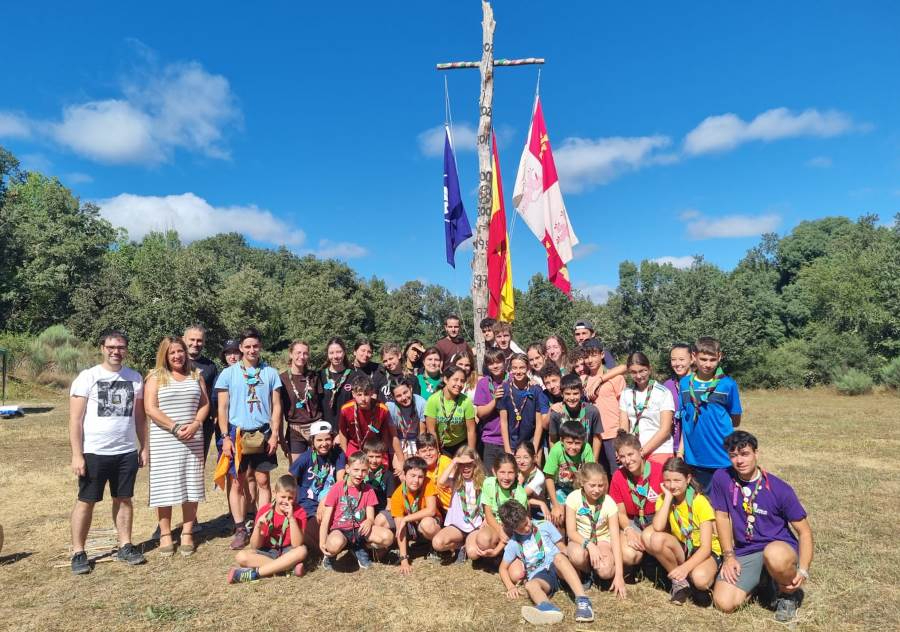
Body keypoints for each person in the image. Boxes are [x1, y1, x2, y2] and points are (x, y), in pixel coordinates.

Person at [710, 431, 813, 623]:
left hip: (779, 548)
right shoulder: (722, 478)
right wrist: (729, 555)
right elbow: (722, 517)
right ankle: (763, 582)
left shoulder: (779, 489)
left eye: (745, 454)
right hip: (746, 550)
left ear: (757, 453)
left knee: (773, 553)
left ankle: (788, 595)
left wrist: (804, 569)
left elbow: (805, 531)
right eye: (733, 455)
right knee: (724, 603)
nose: (739, 460)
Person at [69, 330, 147, 574]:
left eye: (121, 347)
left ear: (126, 350)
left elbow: (140, 418)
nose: (116, 351)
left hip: (125, 452)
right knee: (86, 501)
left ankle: (125, 545)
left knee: (124, 499)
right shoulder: (88, 377)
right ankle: (79, 551)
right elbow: (75, 420)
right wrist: (77, 454)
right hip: (94, 452)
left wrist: (144, 447)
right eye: (111, 346)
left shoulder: (134, 378)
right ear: (102, 347)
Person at [215, 327, 283, 549]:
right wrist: (225, 437)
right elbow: (222, 408)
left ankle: (263, 524)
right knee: (238, 482)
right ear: (241, 348)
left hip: (262, 433)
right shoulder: (229, 373)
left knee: (263, 481)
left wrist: (274, 434)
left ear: (260, 347)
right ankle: (240, 528)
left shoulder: (270, 373)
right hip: (237, 435)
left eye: (255, 346)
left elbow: (276, 406)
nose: (252, 350)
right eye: (247, 346)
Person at [144, 336, 209, 557]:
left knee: (191, 483)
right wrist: (174, 427)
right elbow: (150, 408)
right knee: (165, 485)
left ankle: (188, 532)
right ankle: (164, 534)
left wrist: (196, 424)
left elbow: (205, 404)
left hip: (192, 438)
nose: (177, 356)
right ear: (165, 355)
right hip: (166, 439)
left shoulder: (196, 375)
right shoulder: (155, 377)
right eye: (172, 352)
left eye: (180, 351)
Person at [498, 500, 595, 625]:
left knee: (559, 558)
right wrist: (510, 587)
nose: (527, 528)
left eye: (527, 523)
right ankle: (548, 609)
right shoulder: (513, 544)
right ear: (513, 529)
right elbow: (502, 568)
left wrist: (573, 563)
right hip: (540, 574)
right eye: (521, 529)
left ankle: (583, 601)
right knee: (530, 585)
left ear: (527, 515)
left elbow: (562, 547)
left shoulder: (545, 526)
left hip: (559, 566)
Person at [646, 457, 722, 605]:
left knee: (700, 579)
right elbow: (658, 527)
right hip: (685, 547)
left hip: (705, 551)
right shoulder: (664, 498)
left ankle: (708, 578)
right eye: (667, 480)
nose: (672, 485)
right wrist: (667, 498)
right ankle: (681, 584)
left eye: (677, 480)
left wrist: (685, 568)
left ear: (688, 479)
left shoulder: (699, 502)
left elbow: (706, 547)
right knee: (655, 538)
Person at [678, 337, 742, 491]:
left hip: (722, 456)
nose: (707, 364)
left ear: (720, 357)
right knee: (699, 503)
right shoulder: (685, 384)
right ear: (694, 356)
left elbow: (735, 420)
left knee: (722, 504)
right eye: (703, 359)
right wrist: (680, 450)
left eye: (712, 359)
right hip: (694, 458)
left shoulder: (728, 384)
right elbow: (684, 418)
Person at [319, 451, 393, 570]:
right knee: (334, 544)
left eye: (364, 470)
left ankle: (358, 548)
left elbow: (370, 517)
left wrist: (369, 521)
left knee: (388, 537)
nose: (360, 474)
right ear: (348, 469)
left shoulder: (368, 490)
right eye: (356, 470)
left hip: (359, 531)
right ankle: (330, 556)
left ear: (368, 471)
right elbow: (326, 520)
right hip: (340, 530)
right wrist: (322, 543)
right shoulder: (337, 488)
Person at [227, 474, 308, 582]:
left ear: (295, 497)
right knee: (241, 557)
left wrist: (292, 519)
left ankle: (255, 574)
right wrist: (258, 526)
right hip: (268, 552)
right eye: (283, 497)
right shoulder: (265, 511)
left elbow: (297, 544)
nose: (286, 501)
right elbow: (255, 546)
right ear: (275, 493)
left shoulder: (299, 512)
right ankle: (287, 568)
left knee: (302, 551)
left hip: (288, 551)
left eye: (290, 498)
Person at [564, 462, 627, 597]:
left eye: (600, 485)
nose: (596, 490)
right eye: (592, 485)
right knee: (577, 555)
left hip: (603, 540)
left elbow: (615, 540)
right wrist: (590, 545)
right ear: (582, 482)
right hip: (580, 539)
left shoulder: (608, 502)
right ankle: (587, 573)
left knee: (605, 571)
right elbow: (571, 532)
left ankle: (601, 573)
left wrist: (619, 575)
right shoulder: (573, 498)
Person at [609, 432, 663, 568]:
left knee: (650, 538)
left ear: (640, 452)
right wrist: (628, 530)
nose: (627, 460)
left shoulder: (659, 470)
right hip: (634, 520)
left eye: (630, 454)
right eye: (622, 456)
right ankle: (640, 564)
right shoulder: (618, 476)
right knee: (629, 555)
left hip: (657, 520)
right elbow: (620, 512)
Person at [288, 421, 346, 549]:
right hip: (307, 504)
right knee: (317, 533)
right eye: (319, 440)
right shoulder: (306, 457)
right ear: (312, 441)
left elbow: (340, 481)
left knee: (335, 531)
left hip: (330, 502)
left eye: (327, 439)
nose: (324, 444)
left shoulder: (338, 454)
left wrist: (325, 501)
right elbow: (288, 479)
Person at [431, 447, 487, 564]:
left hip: (475, 526)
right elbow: (441, 482)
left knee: (473, 553)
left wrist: (486, 521)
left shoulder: (484, 482)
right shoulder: (455, 480)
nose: (465, 467)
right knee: (437, 543)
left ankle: (468, 546)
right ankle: (460, 545)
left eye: (469, 464)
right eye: (462, 464)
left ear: (475, 464)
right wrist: (454, 461)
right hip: (457, 526)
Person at [618, 352, 675, 464]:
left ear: (649, 369)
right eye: (633, 372)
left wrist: (642, 452)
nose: (638, 376)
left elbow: (665, 430)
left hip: (659, 450)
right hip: (633, 453)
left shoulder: (663, 393)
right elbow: (624, 424)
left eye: (642, 371)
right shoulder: (626, 393)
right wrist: (621, 446)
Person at [386, 456, 440, 574]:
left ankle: (435, 547)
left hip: (431, 522)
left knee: (427, 524)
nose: (416, 481)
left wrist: (406, 518)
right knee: (392, 522)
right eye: (412, 476)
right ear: (404, 476)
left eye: (420, 477)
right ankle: (420, 545)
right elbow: (400, 529)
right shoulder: (397, 495)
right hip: (413, 527)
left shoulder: (428, 483)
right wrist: (404, 559)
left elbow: (431, 510)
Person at [581, 338, 626, 477]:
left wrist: (623, 437)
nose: (590, 360)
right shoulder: (583, 380)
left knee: (618, 475)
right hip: (592, 437)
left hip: (612, 435)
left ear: (602, 355)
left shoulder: (616, 378)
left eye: (594, 355)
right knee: (597, 476)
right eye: (587, 356)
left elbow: (624, 408)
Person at [476, 453, 529, 561]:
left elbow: (517, 526)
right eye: (502, 472)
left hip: (513, 529)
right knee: (475, 550)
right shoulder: (488, 483)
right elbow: (488, 512)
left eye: (510, 473)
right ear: (494, 472)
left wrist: (497, 549)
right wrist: (499, 530)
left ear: (516, 473)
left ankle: (500, 553)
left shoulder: (520, 494)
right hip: (494, 524)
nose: (506, 477)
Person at [279, 340, 324, 465]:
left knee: (318, 469)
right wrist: (281, 437)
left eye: (305, 353)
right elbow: (278, 410)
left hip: (317, 429)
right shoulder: (282, 379)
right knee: (296, 472)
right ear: (291, 354)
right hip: (295, 431)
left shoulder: (315, 377)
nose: (302, 357)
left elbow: (322, 404)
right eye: (298, 353)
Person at [544, 421, 595, 529]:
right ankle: (561, 542)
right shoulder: (556, 450)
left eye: (577, 443)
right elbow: (548, 477)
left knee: (583, 514)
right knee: (559, 516)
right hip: (560, 488)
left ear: (583, 441)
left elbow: (591, 475)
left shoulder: (587, 449)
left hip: (579, 488)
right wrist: (556, 505)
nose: (573, 447)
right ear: (562, 441)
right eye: (569, 442)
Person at [336, 375, 397, 461]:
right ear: (353, 394)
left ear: (372, 393)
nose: (363, 399)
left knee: (382, 468)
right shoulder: (346, 409)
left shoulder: (382, 409)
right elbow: (342, 432)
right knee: (353, 467)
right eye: (359, 394)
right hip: (354, 445)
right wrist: (346, 454)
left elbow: (385, 433)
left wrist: (383, 451)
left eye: (366, 394)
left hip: (374, 446)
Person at [498, 353, 548, 456]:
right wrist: (507, 449)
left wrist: (533, 449)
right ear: (510, 369)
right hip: (512, 443)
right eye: (515, 368)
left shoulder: (536, 390)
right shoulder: (505, 389)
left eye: (522, 368)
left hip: (531, 441)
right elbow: (503, 422)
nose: (518, 371)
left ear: (528, 368)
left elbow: (539, 424)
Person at [424, 366, 477, 456]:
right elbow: (431, 431)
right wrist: (437, 452)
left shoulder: (466, 401)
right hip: (441, 445)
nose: (459, 384)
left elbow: (471, 431)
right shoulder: (433, 400)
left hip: (461, 445)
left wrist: (471, 454)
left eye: (462, 381)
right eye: (455, 379)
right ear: (445, 379)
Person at [183, 325, 218, 460]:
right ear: (183, 339)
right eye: (192, 339)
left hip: (203, 424)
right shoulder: (172, 363)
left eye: (199, 340)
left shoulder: (210, 366)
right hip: (177, 421)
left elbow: (213, 396)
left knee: (197, 464)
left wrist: (215, 417)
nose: (195, 344)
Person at [548, 373, 602, 457]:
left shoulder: (592, 411)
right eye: (568, 394)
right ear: (562, 394)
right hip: (564, 460)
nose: (572, 398)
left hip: (586, 458)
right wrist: (556, 460)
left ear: (581, 393)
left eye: (575, 393)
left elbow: (597, 438)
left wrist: (594, 461)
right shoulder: (556, 413)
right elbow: (552, 440)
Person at [472, 347, 508, 474]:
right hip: (490, 440)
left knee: (508, 477)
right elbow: (480, 413)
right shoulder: (484, 383)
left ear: (504, 362)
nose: (495, 366)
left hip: (510, 439)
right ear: (487, 365)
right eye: (491, 363)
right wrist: (495, 400)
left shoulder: (512, 379)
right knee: (490, 479)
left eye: (498, 362)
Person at [386, 377, 426, 459]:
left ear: (410, 388)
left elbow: (422, 433)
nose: (404, 398)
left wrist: (419, 452)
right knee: (399, 468)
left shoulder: (421, 403)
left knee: (414, 465)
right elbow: (394, 436)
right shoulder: (390, 407)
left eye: (405, 392)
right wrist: (401, 460)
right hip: (398, 440)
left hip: (415, 439)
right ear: (393, 397)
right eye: (398, 396)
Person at [663, 343, 692, 456]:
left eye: (681, 359)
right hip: (671, 446)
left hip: (692, 446)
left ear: (692, 359)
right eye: (673, 359)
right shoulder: (667, 385)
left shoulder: (698, 385)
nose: (677, 363)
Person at [416, 433, 453, 512]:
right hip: (435, 509)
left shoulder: (446, 463)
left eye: (431, 449)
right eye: (424, 451)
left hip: (453, 508)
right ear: (418, 454)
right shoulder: (417, 469)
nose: (428, 454)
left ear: (437, 450)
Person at [320, 337, 353, 425]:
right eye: (331, 353)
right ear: (327, 354)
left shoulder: (354, 375)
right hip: (325, 431)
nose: (335, 356)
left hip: (347, 428)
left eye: (339, 352)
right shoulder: (319, 376)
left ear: (344, 352)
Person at [362, 438, 397, 516]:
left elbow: (390, 502)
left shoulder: (388, 475)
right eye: (371, 456)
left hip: (381, 512)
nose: (374, 461)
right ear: (365, 456)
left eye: (378, 457)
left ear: (383, 456)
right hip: (362, 512)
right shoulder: (360, 474)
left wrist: (383, 517)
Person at [515, 442, 550, 519]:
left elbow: (519, 497)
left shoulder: (539, 477)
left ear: (534, 458)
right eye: (518, 457)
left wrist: (520, 480)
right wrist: (540, 503)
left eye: (526, 457)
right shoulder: (515, 470)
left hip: (536, 510)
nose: (521, 461)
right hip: (519, 507)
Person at [348, 339, 388, 403]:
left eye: (369, 352)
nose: (366, 354)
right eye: (363, 351)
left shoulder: (377, 369)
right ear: (355, 352)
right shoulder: (348, 370)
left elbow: (383, 391)